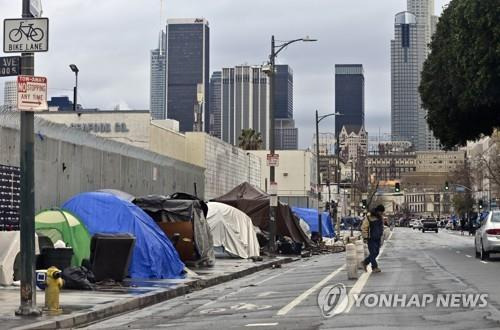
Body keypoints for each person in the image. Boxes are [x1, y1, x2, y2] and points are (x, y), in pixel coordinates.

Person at [361, 204, 385, 273]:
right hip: (370, 238)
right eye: (381, 212)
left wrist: (382, 235)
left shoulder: (380, 217)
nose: (381, 213)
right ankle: (374, 267)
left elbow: (381, 227)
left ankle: (365, 262)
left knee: (376, 253)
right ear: (378, 211)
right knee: (373, 252)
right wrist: (365, 237)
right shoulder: (369, 216)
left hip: (377, 238)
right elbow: (364, 227)